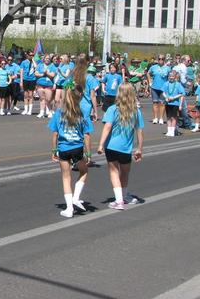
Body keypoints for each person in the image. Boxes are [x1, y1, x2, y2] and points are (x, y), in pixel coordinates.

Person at [97, 82, 144, 210]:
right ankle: (123, 195)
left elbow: (107, 127)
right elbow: (139, 131)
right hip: (126, 148)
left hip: (111, 146)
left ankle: (119, 200)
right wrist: (139, 148)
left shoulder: (112, 109)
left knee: (113, 171)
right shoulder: (136, 111)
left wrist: (101, 144)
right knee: (125, 172)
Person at [49, 85, 92, 218]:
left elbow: (55, 133)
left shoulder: (59, 112)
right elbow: (86, 135)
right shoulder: (83, 111)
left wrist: (54, 149)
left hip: (63, 148)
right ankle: (76, 197)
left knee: (66, 177)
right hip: (77, 147)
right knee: (83, 171)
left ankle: (69, 208)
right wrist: (89, 153)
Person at [148, 55, 170, 124]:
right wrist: (150, 82)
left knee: (162, 103)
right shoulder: (153, 67)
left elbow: (170, 76)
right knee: (155, 103)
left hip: (163, 88)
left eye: (162, 59)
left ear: (164, 60)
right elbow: (148, 73)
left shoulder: (167, 68)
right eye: (159, 59)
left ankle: (161, 118)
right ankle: (155, 118)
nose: (161, 60)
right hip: (154, 87)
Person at [163, 71, 185, 137]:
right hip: (168, 103)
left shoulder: (178, 84)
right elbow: (163, 92)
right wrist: (166, 97)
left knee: (174, 117)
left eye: (172, 76)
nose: (171, 77)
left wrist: (174, 98)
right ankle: (169, 130)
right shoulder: (166, 84)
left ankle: (172, 131)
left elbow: (181, 94)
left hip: (175, 103)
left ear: (175, 77)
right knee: (168, 117)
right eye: (170, 76)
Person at [20, 50, 37, 116]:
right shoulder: (24, 62)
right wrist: (21, 81)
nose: (32, 56)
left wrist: (33, 61)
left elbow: (36, 68)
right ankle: (25, 109)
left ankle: (30, 110)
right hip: (25, 79)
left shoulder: (34, 62)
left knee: (31, 95)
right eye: (30, 55)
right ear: (27, 55)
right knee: (25, 95)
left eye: (33, 55)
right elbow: (21, 71)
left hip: (32, 79)